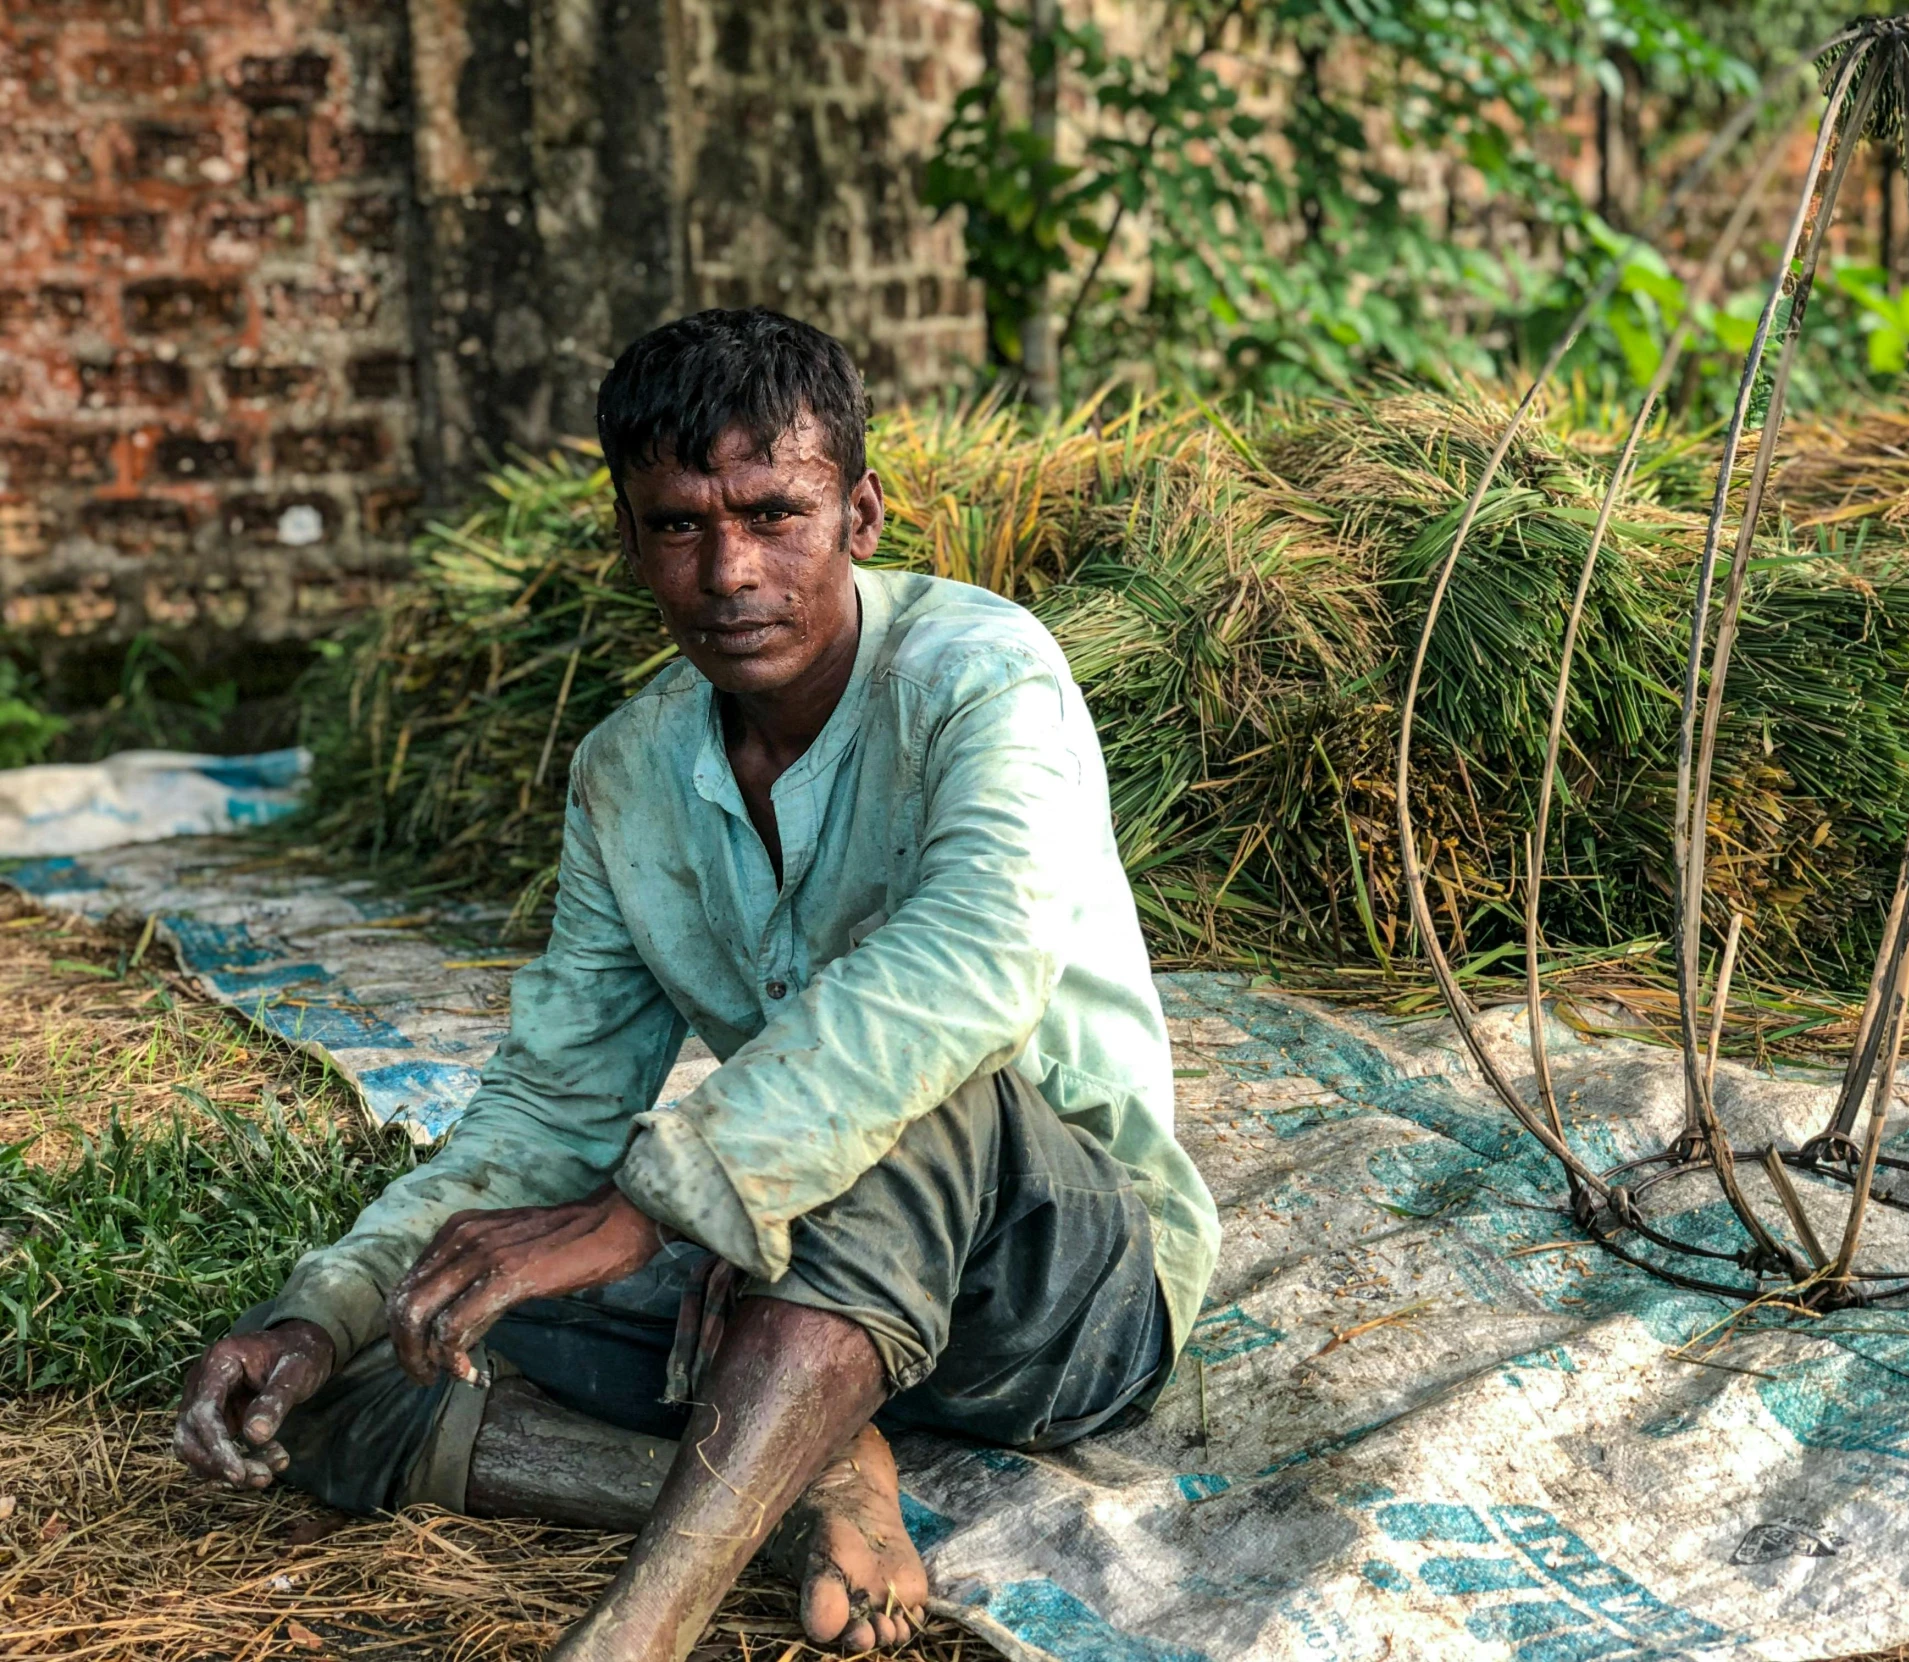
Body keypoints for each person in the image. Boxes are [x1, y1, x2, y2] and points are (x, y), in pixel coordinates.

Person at [170, 308, 1220, 1662]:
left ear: (863, 511)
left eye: (774, 512)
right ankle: (809, 1482)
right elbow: (546, 1109)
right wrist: (321, 1308)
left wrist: (648, 1205)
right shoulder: (626, 771)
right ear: (631, 542)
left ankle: (635, 1629)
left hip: (1055, 1292)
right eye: (678, 525)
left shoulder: (980, 673)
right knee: (401, 1339)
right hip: (792, 1278)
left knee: (922, 1099)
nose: (730, 570)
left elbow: (971, 967)